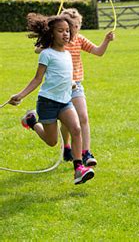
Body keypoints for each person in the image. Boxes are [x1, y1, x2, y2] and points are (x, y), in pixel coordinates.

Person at [8, 13, 94, 185]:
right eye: (61, 31)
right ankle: (32, 121)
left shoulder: (68, 54)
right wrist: (20, 95)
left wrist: (71, 84)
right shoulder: (46, 54)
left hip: (65, 101)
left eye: (68, 31)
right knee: (52, 141)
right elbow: (37, 79)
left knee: (76, 129)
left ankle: (78, 169)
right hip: (47, 102)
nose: (66, 34)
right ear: (51, 34)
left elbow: (64, 75)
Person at [35, 8, 115, 167]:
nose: (72, 31)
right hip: (58, 88)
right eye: (69, 28)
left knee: (82, 117)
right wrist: (46, 40)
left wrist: (106, 40)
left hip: (75, 85)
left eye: (76, 27)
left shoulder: (79, 39)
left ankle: (86, 153)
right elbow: (38, 50)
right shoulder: (55, 43)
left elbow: (98, 52)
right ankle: (67, 146)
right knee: (65, 124)